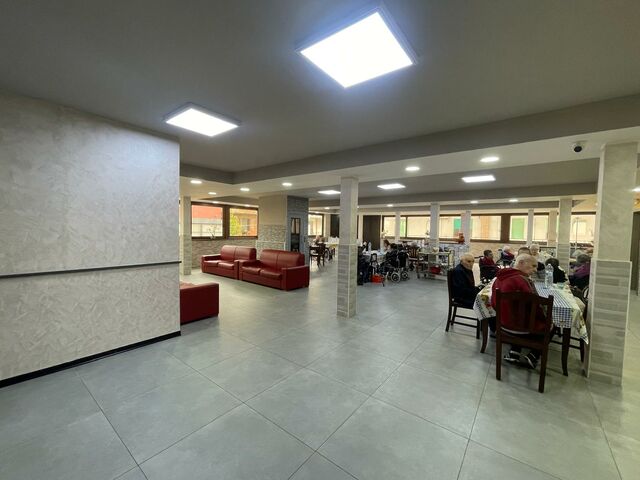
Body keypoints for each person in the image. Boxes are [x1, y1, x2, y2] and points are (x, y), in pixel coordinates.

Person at [491, 254, 552, 369]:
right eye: (533, 266)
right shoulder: (522, 280)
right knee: (552, 323)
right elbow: (534, 307)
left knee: (518, 314)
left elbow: (493, 303)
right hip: (522, 328)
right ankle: (534, 354)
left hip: (502, 324)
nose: (535, 270)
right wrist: (545, 318)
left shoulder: (499, 278)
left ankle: (514, 351)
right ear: (521, 263)